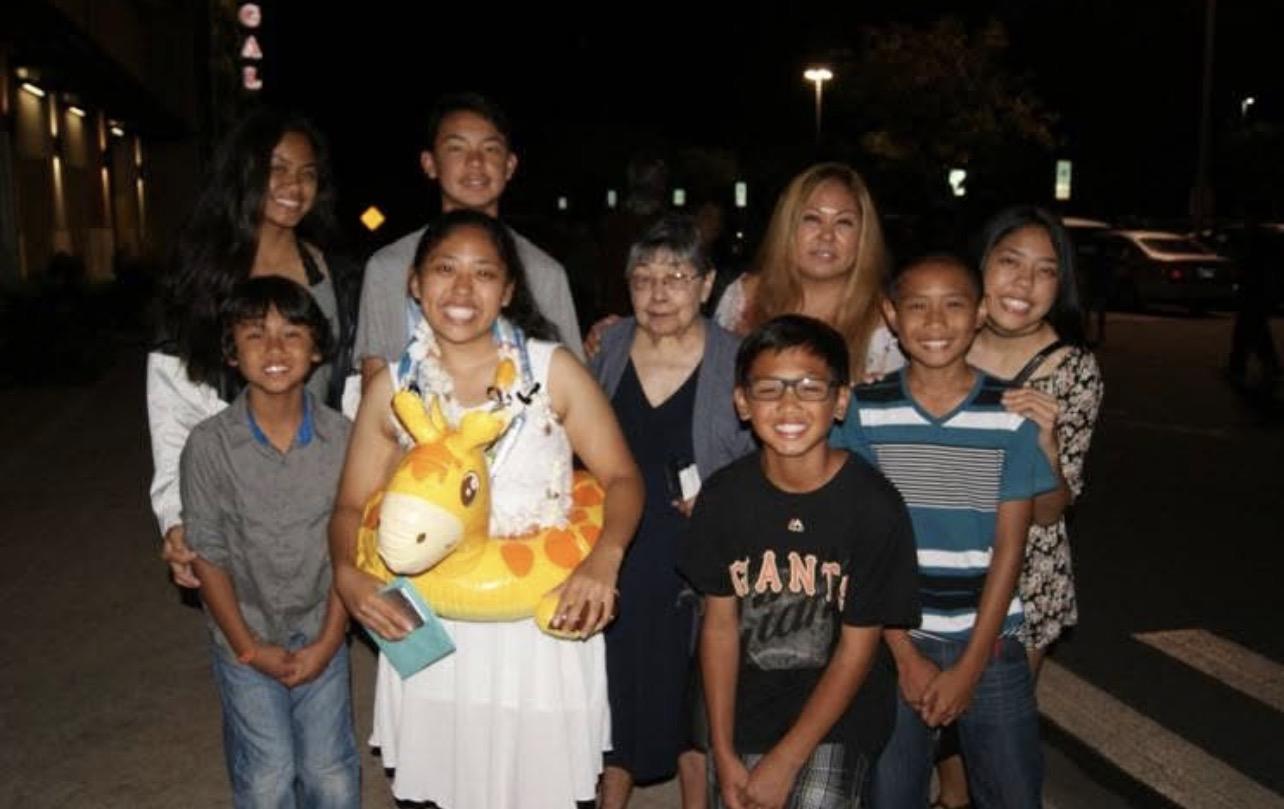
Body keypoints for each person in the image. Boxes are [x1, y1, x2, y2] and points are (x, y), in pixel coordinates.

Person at [329, 209, 643, 809]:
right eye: (445, 270)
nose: (463, 290)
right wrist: (347, 572)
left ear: (509, 289)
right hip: (432, 626)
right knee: (440, 789)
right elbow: (349, 505)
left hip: (537, 632)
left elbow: (623, 478)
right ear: (415, 284)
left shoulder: (554, 371)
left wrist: (605, 558)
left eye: (484, 273)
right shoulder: (392, 389)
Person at [832, 255, 1057, 809]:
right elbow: (859, 548)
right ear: (891, 315)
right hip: (893, 641)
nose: (935, 322)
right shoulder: (864, 410)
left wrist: (971, 666)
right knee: (890, 793)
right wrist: (904, 655)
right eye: (917, 306)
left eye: (954, 305)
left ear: (979, 312)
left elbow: (1011, 546)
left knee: (1012, 792)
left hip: (992, 641)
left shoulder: (1009, 414)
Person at [680, 315, 921, 809]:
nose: (789, 405)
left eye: (810, 388)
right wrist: (721, 750)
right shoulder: (724, 498)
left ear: (840, 401)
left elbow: (858, 649)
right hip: (744, 710)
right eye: (769, 389)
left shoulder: (873, 505)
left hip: (839, 717)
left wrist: (787, 759)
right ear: (742, 403)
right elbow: (720, 627)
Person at [590, 215, 756, 809]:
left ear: (707, 285)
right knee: (608, 677)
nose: (658, 294)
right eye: (643, 278)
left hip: (694, 547)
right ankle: (612, 793)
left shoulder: (737, 359)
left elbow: (767, 457)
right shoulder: (607, 347)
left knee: (688, 694)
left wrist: (724, 497)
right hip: (617, 538)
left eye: (676, 277)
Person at [148, 109, 354, 589]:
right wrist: (176, 517)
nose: (293, 185)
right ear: (245, 171)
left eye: (307, 174)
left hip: (322, 482)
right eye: (277, 168)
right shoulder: (202, 276)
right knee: (248, 628)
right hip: (235, 489)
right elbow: (172, 409)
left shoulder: (335, 273)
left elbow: (351, 387)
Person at [180, 276, 358, 807]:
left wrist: (328, 642)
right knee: (267, 774)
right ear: (231, 353)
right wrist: (247, 648)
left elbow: (349, 548)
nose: (275, 349)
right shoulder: (209, 446)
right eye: (256, 335)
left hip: (322, 624)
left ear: (318, 348)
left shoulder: (344, 440)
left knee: (329, 771)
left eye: (292, 334)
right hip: (244, 630)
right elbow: (207, 552)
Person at [354, 91, 583, 388]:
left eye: (490, 149)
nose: (475, 162)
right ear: (429, 164)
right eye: (457, 149)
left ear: (510, 166)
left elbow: (570, 388)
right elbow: (375, 384)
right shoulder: (388, 268)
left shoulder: (544, 273)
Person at [969, 206, 1104, 669]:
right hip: (930, 567)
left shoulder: (1073, 372)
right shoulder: (939, 342)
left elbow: (1050, 512)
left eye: (1046, 271)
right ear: (982, 264)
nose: (1025, 284)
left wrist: (1045, 448)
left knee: (992, 739)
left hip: (1025, 579)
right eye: (1010, 262)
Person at [713, 163, 902, 378]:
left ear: (863, 237)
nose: (827, 236)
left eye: (844, 223)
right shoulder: (745, 298)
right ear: (787, 227)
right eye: (812, 219)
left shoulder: (886, 319)